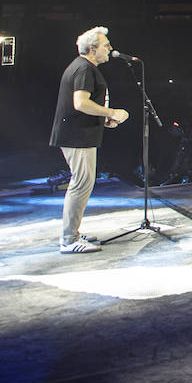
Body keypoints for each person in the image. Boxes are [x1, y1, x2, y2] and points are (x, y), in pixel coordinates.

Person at [48, 26, 129, 253]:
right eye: (106, 45)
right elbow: (80, 103)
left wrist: (103, 119)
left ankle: (73, 233)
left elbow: (85, 105)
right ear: (93, 49)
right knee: (81, 184)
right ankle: (69, 239)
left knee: (83, 183)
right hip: (77, 135)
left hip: (81, 133)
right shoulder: (83, 69)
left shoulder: (85, 67)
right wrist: (111, 113)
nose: (109, 49)